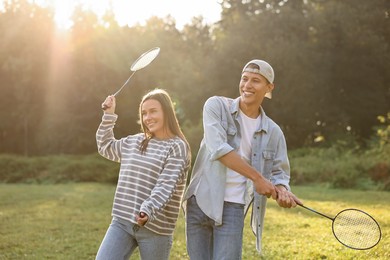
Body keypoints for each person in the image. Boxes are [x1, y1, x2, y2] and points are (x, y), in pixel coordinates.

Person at [183, 59, 302, 259]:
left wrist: (282, 190)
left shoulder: (274, 132)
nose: (247, 85)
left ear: (269, 87)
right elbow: (218, 149)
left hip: (233, 207)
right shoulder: (216, 106)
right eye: (244, 78)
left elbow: (279, 173)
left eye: (255, 80)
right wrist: (257, 178)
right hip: (200, 201)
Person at [96, 89, 191, 260]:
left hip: (156, 229)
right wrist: (109, 115)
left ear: (167, 112)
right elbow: (106, 147)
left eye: (153, 111)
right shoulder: (135, 141)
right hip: (122, 222)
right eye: (144, 113)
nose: (148, 117)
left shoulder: (177, 146)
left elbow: (166, 184)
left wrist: (147, 210)